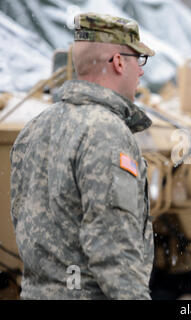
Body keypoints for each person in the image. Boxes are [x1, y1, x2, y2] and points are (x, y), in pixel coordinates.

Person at [10, 13, 155, 299]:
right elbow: (113, 249)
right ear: (118, 62)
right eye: (138, 60)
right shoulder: (107, 133)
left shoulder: (34, 128)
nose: (140, 72)